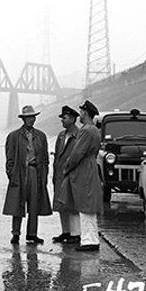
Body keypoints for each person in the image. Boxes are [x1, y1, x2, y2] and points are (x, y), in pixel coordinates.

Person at [2, 103, 52, 244]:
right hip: (19, 173)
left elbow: (46, 159)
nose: (31, 119)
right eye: (29, 117)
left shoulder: (41, 136)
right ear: (23, 119)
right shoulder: (13, 136)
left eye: (33, 117)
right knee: (17, 204)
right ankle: (16, 233)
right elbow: (9, 159)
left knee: (35, 204)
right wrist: (12, 175)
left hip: (35, 171)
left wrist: (44, 175)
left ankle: (32, 234)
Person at [58, 99, 102, 252]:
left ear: (85, 113)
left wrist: (67, 167)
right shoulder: (95, 130)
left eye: (82, 112)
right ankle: (91, 238)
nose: (80, 115)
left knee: (84, 204)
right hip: (91, 166)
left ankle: (89, 240)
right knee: (89, 204)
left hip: (83, 169)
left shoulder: (85, 130)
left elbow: (77, 153)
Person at [52, 104, 81, 243]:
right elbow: (57, 156)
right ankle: (65, 232)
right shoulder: (61, 135)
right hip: (59, 174)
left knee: (73, 205)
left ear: (73, 119)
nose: (62, 120)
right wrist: (54, 173)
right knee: (61, 204)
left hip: (72, 174)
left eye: (64, 118)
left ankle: (76, 234)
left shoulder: (79, 135)